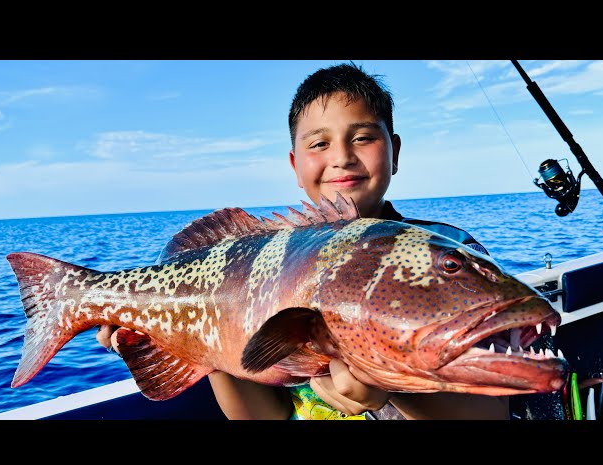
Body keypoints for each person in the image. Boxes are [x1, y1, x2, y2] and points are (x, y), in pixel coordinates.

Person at [97, 61, 509, 420]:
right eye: (319, 143)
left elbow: (490, 414)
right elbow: (262, 416)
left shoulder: (446, 251)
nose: (342, 156)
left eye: (363, 137)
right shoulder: (271, 261)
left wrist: (388, 389)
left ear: (394, 151)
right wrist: (196, 340)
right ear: (296, 164)